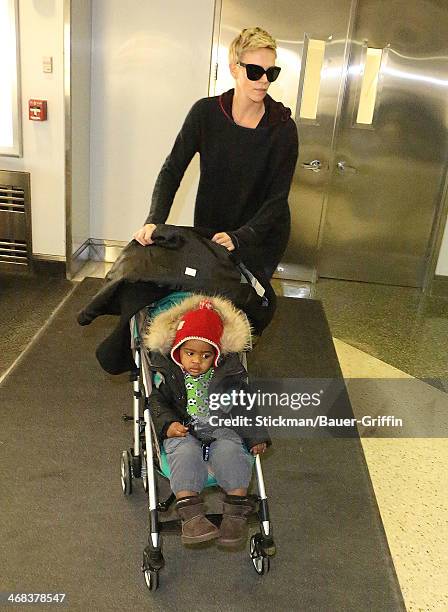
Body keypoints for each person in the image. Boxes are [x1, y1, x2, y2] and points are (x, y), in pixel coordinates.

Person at [134, 27, 299, 278]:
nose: (264, 80)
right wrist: (154, 219)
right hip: (212, 227)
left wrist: (241, 237)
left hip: (260, 234)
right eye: (255, 71)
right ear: (234, 68)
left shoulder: (283, 127)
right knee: (207, 297)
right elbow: (172, 170)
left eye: (271, 73)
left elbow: (277, 199)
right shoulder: (206, 114)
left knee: (244, 305)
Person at [144, 295, 271, 547]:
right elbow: (157, 404)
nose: (196, 361)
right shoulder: (171, 377)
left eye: (204, 356)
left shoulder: (227, 377)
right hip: (184, 429)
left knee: (232, 450)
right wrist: (168, 425)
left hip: (220, 428)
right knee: (184, 452)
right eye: (189, 353)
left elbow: (244, 407)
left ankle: (235, 515)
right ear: (178, 351)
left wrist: (256, 436)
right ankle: (192, 518)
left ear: (215, 355)